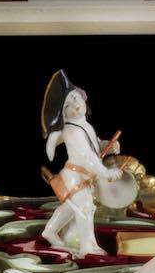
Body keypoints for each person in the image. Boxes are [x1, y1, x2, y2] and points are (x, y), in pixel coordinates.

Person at [38, 71, 138, 257]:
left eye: (75, 98)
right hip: (75, 174)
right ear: (62, 115)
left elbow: (93, 145)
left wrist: (107, 144)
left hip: (84, 174)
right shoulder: (71, 131)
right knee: (84, 207)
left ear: (83, 98)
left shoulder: (84, 125)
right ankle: (87, 246)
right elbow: (86, 157)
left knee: (72, 206)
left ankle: (50, 231)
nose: (75, 105)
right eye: (67, 105)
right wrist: (105, 173)